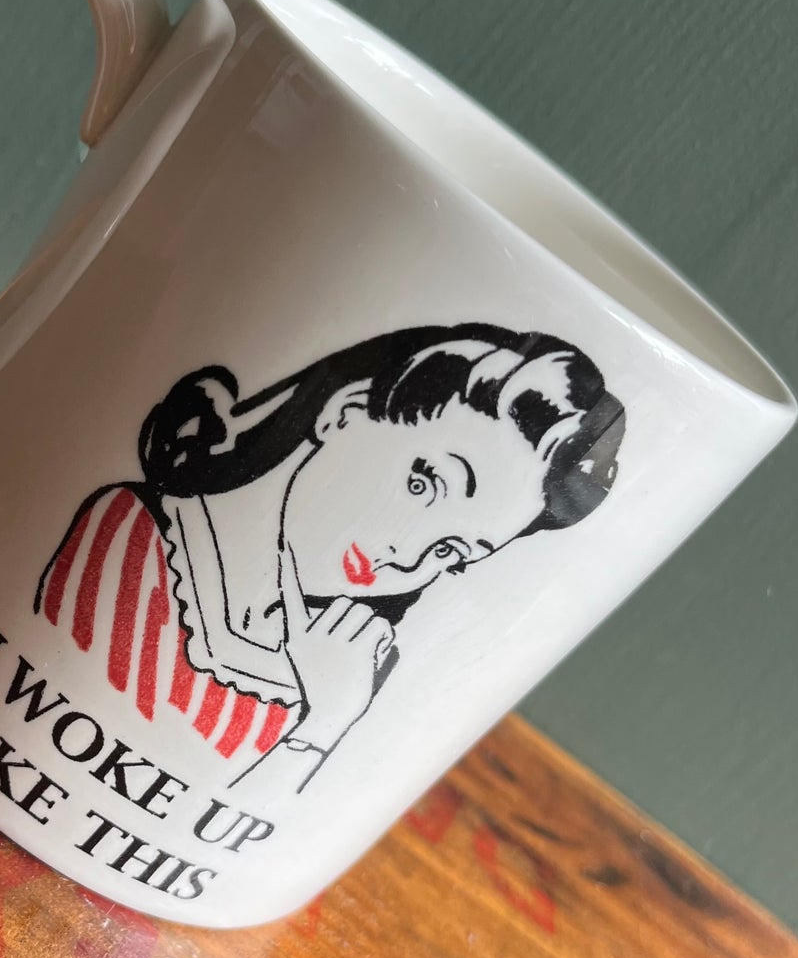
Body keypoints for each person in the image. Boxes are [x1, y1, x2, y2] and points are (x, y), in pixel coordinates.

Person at [35, 324, 624, 796]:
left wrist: (329, 717)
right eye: (422, 484)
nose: (405, 555)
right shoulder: (138, 537)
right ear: (345, 411)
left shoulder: (358, 663)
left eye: (450, 550)